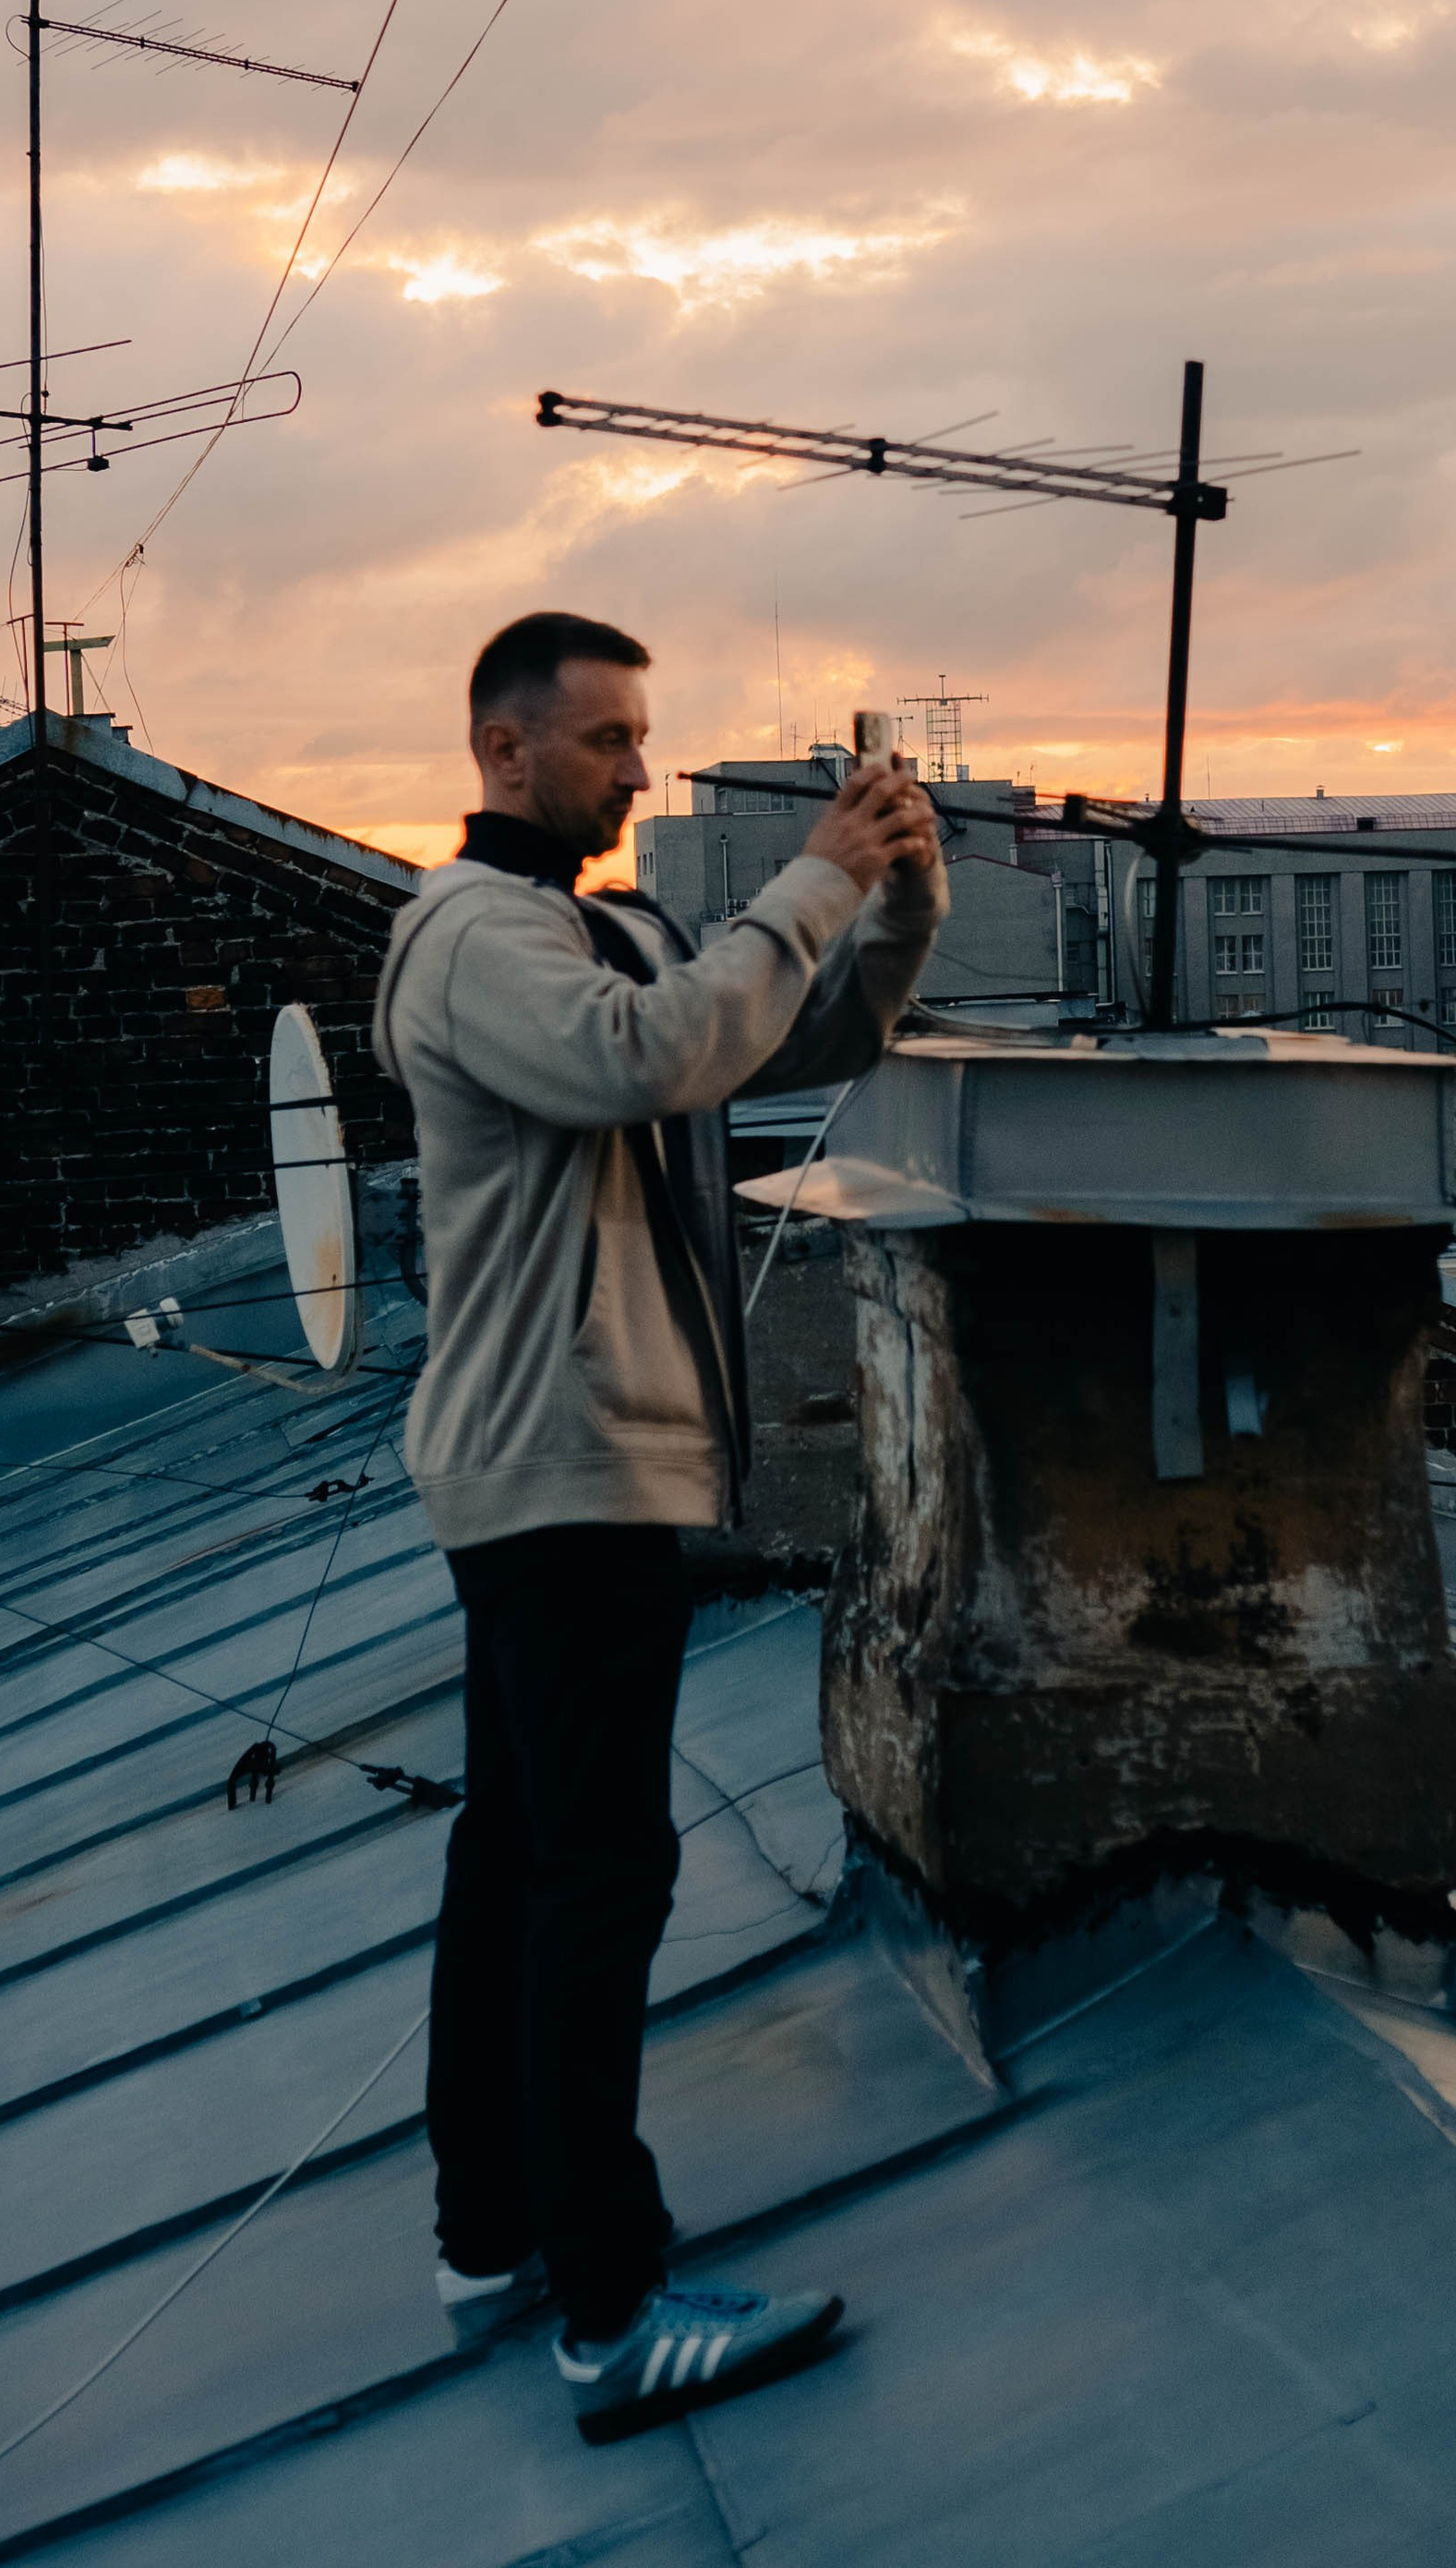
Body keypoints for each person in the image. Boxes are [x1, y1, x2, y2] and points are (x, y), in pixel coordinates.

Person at [373, 609, 945, 2443]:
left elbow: (775, 1034)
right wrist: (801, 877)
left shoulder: (589, 926)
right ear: (505, 751)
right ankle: (611, 2310)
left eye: (640, 736)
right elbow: (651, 1060)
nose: (636, 768)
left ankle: (493, 2239)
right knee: (596, 1881)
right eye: (609, 740)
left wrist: (893, 902)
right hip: (562, 1473)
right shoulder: (472, 938)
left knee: (520, 1864)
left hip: (573, 1469)